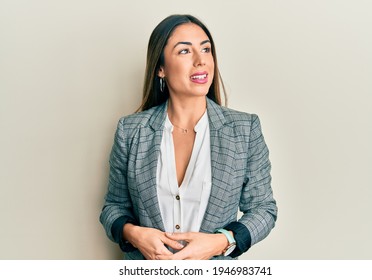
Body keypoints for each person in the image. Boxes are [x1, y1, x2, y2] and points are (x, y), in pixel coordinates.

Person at [99, 14, 277, 260]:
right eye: (184, 51)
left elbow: (264, 209)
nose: (200, 61)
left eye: (206, 49)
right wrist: (134, 234)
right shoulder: (130, 131)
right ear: (160, 68)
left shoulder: (245, 129)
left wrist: (221, 241)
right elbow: (113, 207)